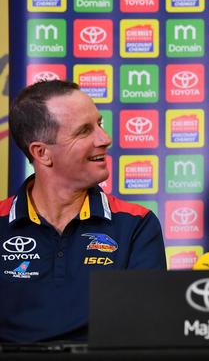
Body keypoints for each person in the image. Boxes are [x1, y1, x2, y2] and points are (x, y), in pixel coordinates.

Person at [0, 80, 166, 342]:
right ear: (42, 153)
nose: (105, 139)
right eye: (84, 131)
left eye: (99, 124)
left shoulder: (136, 225)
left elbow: (146, 332)